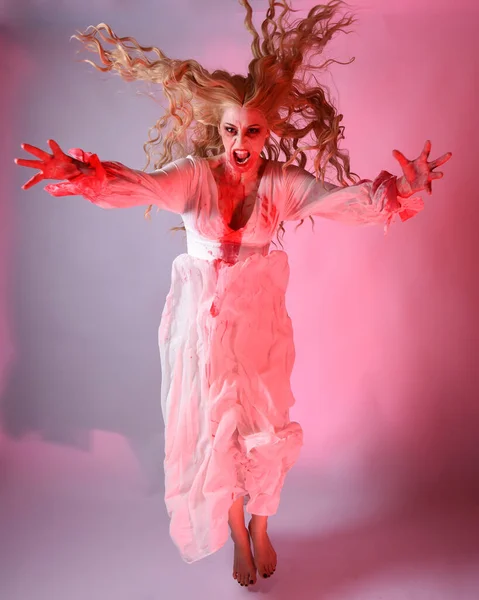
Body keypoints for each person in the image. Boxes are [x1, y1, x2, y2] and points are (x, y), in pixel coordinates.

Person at [15, 0, 451, 588]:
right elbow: (140, 185)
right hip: (202, 321)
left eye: (251, 131)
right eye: (228, 130)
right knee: (212, 427)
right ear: (215, 129)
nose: (239, 143)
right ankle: (238, 535)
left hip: (259, 318)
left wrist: (404, 190)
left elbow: (350, 204)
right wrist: (86, 172)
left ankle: (263, 523)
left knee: (267, 423)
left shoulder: (280, 184)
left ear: (267, 133)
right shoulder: (195, 177)